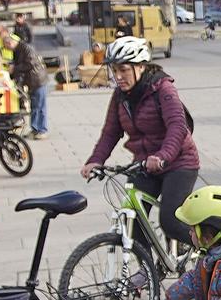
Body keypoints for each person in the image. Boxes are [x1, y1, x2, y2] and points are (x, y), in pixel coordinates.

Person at [83, 38, 201, 253]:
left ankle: (207, 253)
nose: (118, 77)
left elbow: (178, 126)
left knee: (171, 221)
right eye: (114, 70)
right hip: (144, 165)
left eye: (124, 70)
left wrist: (163, 155)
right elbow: (111, 132)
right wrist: (95, 160)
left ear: (140, 67)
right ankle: (148, 270)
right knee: (132, 218)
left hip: (179, 163)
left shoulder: (163, 89)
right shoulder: (120, 97)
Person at [10, 25, 49, 139]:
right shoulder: (18, 50)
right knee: (34, 105)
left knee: (40, 106)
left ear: (13, 42)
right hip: (31, 81)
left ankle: (42, 129)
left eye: (8, 45)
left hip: (37, 79)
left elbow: (29, 64)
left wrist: (15, 69)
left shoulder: (26, 48)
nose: (8, 48)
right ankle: (35, 128)